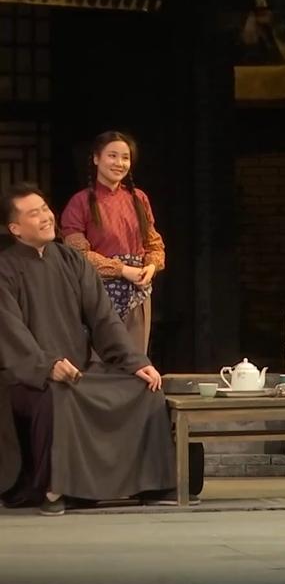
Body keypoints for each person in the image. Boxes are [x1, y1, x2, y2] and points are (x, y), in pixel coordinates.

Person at [0, 183, 180, 516]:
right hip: (28, 376)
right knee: (59, 394)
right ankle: (57, 489)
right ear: (15, 228)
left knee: (144, 387)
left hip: (81, 367)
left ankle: (152, 484)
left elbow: (103, 318)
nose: (46, 217)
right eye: (34, 213)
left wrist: (134, 361)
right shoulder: (4, 269)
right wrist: (47, 365)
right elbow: (10, 332)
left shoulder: (71, 260)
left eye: (45, 209)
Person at [60, 131, 166, 359]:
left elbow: (154, 244)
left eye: (125, 157)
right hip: (98, 291)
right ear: (96, 158)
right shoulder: (80, 202)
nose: (119, 163)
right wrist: (122, 270)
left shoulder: (138, 198)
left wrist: (151, 267)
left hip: (137, 290)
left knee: (134, 361)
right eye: (112, 156)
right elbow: (77, 253)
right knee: (100, 360)